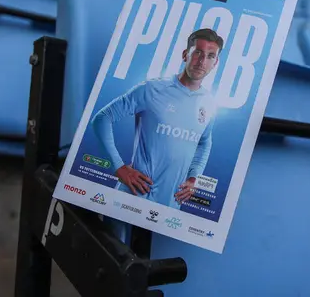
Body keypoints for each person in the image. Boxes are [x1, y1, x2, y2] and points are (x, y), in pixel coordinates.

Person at [91, 28, 223, 209]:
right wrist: (119, 167)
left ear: (215, 62)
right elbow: (102, 118)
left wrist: (194, 178)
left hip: (170, 205)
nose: (202, 61)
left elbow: (204, 142)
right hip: (132, 198)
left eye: (210, 56)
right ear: (185, 54)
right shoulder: (153, 89)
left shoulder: (209, 104)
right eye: (197, 53)